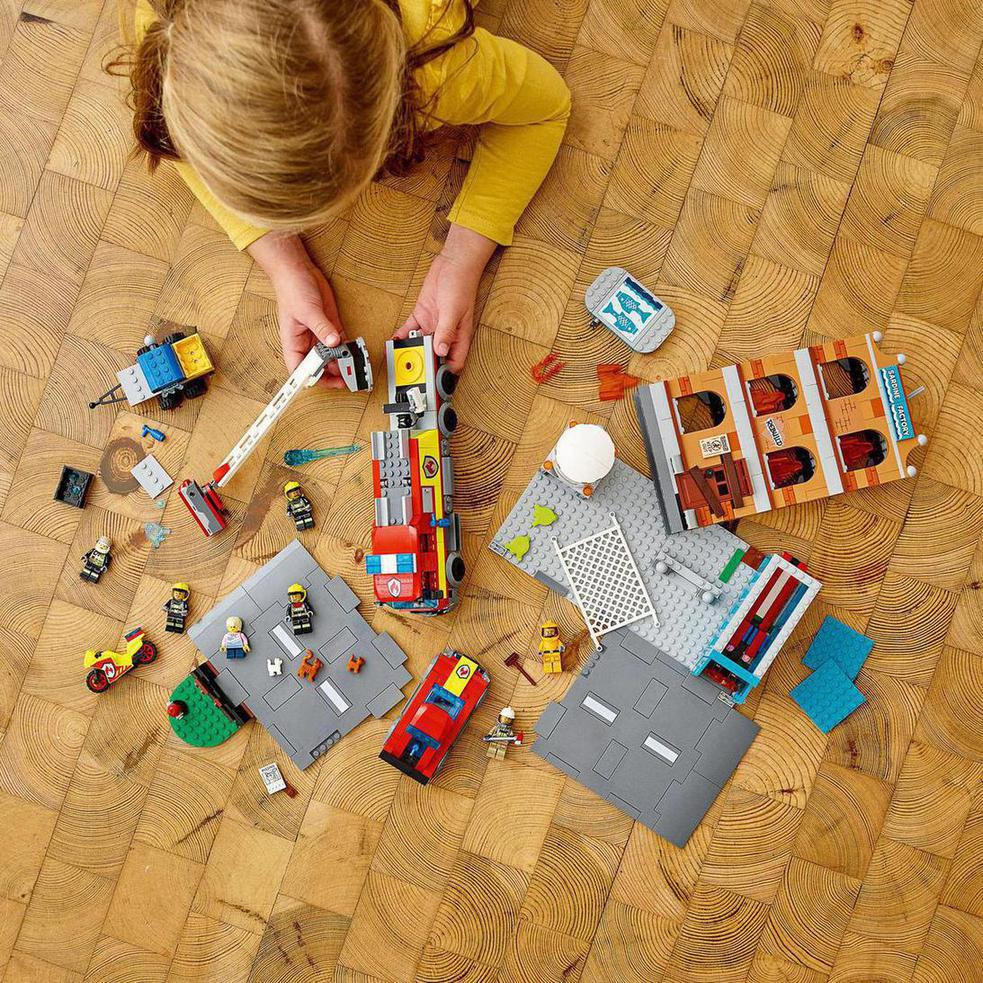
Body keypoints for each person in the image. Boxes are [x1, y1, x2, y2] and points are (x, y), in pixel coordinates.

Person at [115, 0, 570, 377]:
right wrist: (283, 262)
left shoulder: (441, 69)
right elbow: (185, 147)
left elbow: (546, 110)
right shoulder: (174, 37)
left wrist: (464, 257)